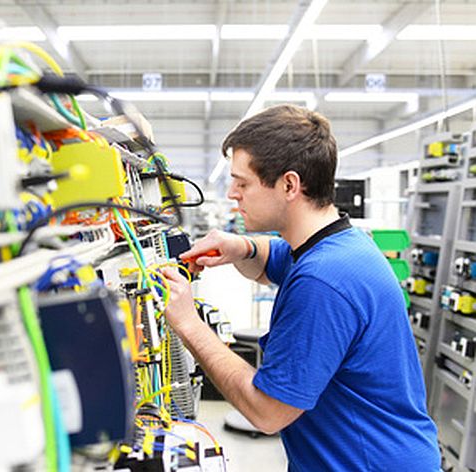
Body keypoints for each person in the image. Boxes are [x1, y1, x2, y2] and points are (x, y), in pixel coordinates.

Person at [161, 104, 440, 471]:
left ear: (289, 184)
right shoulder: (338, 244)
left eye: (243, 183)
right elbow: (272, 258)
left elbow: (267, 412)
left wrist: (189, 324)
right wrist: (239, 246)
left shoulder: (322, 280)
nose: (232, 193)